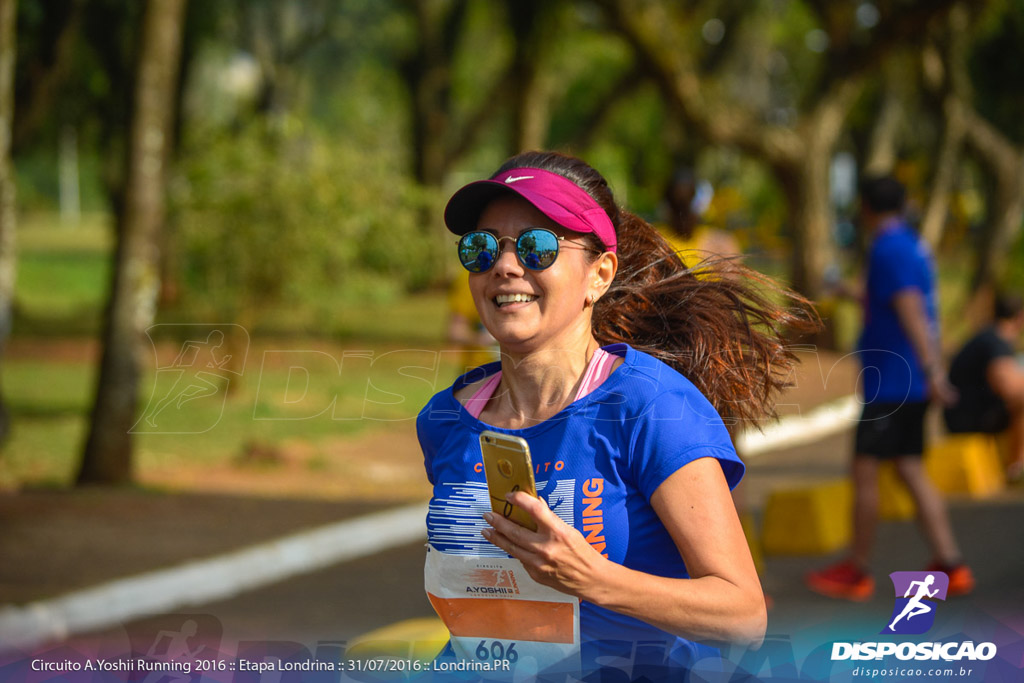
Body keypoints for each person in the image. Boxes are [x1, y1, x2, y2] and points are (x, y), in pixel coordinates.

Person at [417, 151, 816, 678]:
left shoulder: (651, 408)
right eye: (481, 247)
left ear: (599, 274)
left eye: (537, 248)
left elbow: (743, 615)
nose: (505, 265)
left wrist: (592, 578)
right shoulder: (446, 420)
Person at [806, 176, 974, 602]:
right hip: (907, 383)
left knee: (865, 472)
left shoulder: (887, 249)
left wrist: (935, 371)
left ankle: (857, 570)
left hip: (893, 385)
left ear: (865, 208)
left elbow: (911, 310)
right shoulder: (911, 244)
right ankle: (951, 563)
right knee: (910, 468)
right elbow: (888, 297)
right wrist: (846, 291)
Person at [944, 292, 1024, 482]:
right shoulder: (995, 342)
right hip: (967, 417)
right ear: (1020, 317)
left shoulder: (989, 337)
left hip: (962, 413)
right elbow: (1009, 388)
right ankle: (1017, 469)